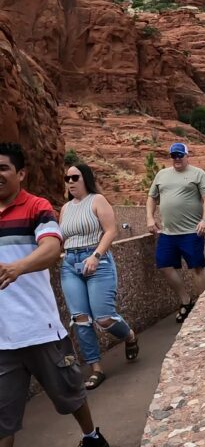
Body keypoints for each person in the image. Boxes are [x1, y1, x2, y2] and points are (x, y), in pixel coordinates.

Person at [0, 142, 110, 446]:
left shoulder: (37, 207)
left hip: (39, 329)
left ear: (20, 173)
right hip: (2, 338)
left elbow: (51, 248)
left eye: (3, 168)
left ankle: (92, 436)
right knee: (3, 419)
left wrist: (17, 268)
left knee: (71, 393)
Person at [60, 163, 140, 390]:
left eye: (75, 177)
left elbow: (111, 230)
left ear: (85, 178)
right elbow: (62, 236)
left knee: (103, 318)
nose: (70, 182)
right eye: (67, 179)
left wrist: (95, 255)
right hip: (70, 263)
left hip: (97, 260)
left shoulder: (97, 200)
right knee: (81, 319)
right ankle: (96, 369)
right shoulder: (65, 208)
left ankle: (129, 334)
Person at [147, 142, 205, 323]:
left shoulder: (198, 174)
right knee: (164, 265)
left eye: (179, 155)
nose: (176, 159)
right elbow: (152, 197)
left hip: (192, 232)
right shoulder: (162, 175)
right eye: (173, 156)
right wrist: (150, 219)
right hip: (168, 233)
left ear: (186, 156)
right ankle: (185, 300)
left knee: (197, 268)